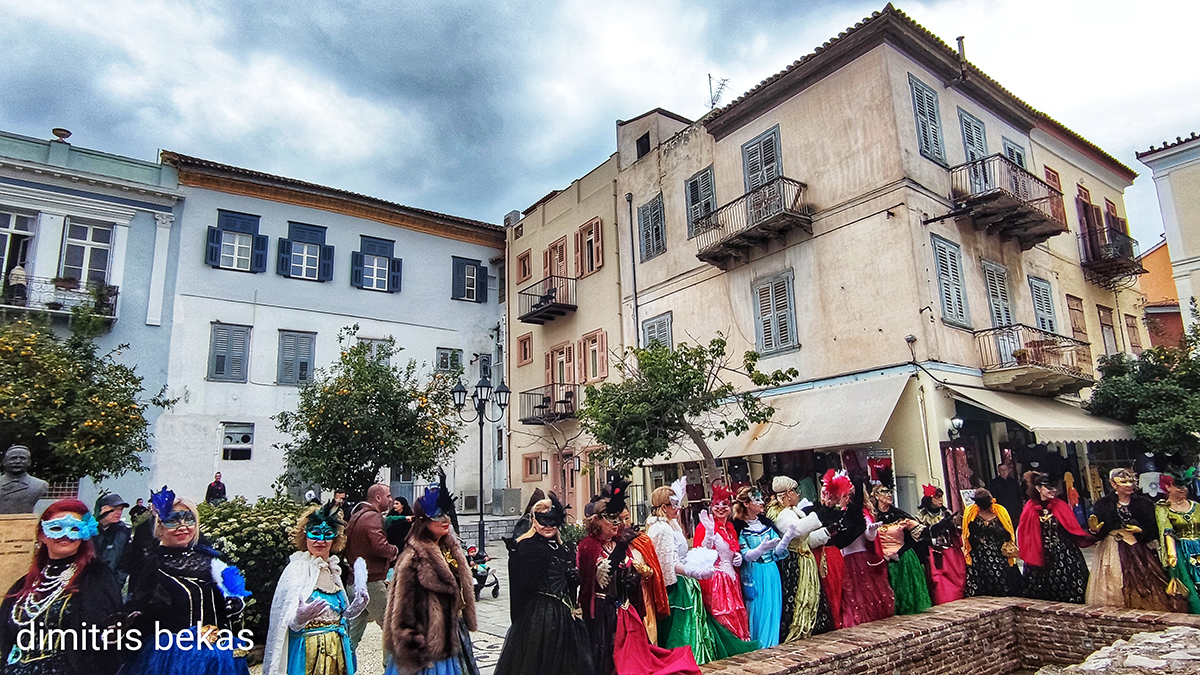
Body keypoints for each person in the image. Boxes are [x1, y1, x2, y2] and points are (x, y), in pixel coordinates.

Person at [576, 478, 699, 675]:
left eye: (619, 519)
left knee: (638, 659)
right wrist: (621, 548)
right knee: (610, 661)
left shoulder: (617, 542)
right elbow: (603, 576)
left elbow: (630, 567)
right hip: (604, 613)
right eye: (611, 519)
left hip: (627, 610)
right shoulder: (589, 546)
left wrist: (632, 579)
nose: (617, 524)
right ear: (597, 521)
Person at [124, 486, 252, 675]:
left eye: (189, 519)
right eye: (172, 520)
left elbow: (234, 596)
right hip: (172, 659)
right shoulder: (150, 566)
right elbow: (139, 615)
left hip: (217, 657)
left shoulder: (213, 560)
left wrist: (235, 604)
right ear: (160, 526)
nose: (183, 526)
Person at [0, 499, 121, 675]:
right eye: (56, 528)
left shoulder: (96, 579)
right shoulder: (24, 584)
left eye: (74, 529)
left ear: (84, 534)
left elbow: (101, 648)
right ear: (42, 535)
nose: (65, 535)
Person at [645, 479, 757, 665]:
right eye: (674, 505)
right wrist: (694, 572)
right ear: (664, 507)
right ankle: (686, 661)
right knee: (684, 628)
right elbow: (669, 564)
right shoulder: (663, 529)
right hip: (679, 585)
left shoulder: (671, 525)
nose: (678, 508)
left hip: (703, 581)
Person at [263, 502, 370, 675]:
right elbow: (285, 623)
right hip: (307, 654)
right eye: (315, 533)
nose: (321, 540)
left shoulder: (334, 570)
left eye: (327, 534)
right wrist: (299, 618)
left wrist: (354, 609)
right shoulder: (296, 570)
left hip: (337, 652)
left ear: (335, 538)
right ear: (304, 535)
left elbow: (337, 617)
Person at [494, 494, 595, 675]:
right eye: (543, 521)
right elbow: (519, 588)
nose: (548, 526)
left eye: (553, 521)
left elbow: (569, 589)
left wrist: (574, 580)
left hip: (565, 616)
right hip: (538, 618)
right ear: (534, 521)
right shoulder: (526, 547)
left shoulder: (565, 548)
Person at [383, 485, 478, 675]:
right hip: (427, 644)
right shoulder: (413, 558)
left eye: (447, 514)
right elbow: (403, 609)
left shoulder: (451, 550)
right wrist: (413, 649)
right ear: (423, 521)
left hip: (454, 635)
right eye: (438, 515)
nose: (445, 520)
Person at [1086, 468, 1174, 611]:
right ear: (1113, 484)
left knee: (1148, 578)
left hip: (1139, 546)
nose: (1129, 485)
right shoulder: (1103, 505)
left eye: (1131, 481)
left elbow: (1154, 528)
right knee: (1114, 580)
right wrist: (1095, 530)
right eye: (1124, 482)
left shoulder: (1145, 504)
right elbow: (1099, 531)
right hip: (1112, 547)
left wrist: (1142, 531)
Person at [766, 475, 829, 642]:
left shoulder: (794, 512)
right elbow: (797, 531)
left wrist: (826, 532)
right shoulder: (781, 514)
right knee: (798, 598)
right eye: (795, 491)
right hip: (794, 562)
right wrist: (820, 514)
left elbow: (806, 539)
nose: (798, 495)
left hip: (805, 560)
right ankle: (796, 632)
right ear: (788, 493)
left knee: (812, 596)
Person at [1018, 472, 1093, 604]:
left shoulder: (1061, 505)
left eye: (1054, 488)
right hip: (1040, 553)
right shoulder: (1030, 508)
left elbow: (1072, 527)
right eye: (1049, 488)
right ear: (1038, 488)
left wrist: (1090, 534)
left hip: (1064, 553)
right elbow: (1026, 532)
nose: (1053, 491)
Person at [345, 483, 400, 651]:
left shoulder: (356, 516)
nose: (391, 500)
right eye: (388, 496)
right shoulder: (373, 518)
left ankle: (343, 661)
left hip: (357, 580)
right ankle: (395, 665)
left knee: (353, 632)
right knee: (393, 629)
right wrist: (394, 550)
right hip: (372, 582)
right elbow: (380, 546)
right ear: (378, 498)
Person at [833, 477, 893, 627]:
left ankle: (862, 620)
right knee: (849, 593)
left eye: (842, 497)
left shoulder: (860, 514)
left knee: (862, 592)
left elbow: (869, 536)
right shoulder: (840, 514)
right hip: (844, 559)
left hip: (858, 559)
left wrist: (871, 530)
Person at [733, 486, 787, 648]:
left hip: (771, 570)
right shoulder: (740, 527)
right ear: (747, 504)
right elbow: (746, 555)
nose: (762, 502)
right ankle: (759, 646)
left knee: (773, 607)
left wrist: (787, 539)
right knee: (757, 609)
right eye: (757, 500)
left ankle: (773, 643)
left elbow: (777, 550)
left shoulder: (766, 523)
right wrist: (761, 548)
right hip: (754, 572)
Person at [871, 484, 931, 615]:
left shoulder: (900, 516)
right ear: (876, 495)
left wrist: (940, 527)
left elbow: (921, 532)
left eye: (890, 492)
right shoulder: (871, 516)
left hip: (902, 559)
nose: (889, 494)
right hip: (880, 561)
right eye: (885, 491)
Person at [619, 507, 670, 643]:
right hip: (623, 598)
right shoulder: (611, 544)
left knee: (648, 633)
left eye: (626, 518)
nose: (624, 523)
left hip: (643, 594)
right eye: (619, 519)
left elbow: (653, 570)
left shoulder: (642, 540)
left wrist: (641, 569)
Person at [810, 470, 852, 631]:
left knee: (836, 588)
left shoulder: (839, 515)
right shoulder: (809, 510)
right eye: (824, 492)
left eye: (831, 494)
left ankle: (838, 620)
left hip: (832, 556)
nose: (826, 496)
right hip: (815, 555)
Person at [962, 488, 1021, 598]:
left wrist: (999, 532)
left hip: (998, 555)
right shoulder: (970, 512)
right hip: (978, 557)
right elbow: (966, 535)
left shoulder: (1000, 511)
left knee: (1003, 584)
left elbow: (1009, 532)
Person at [1158, 469, 1200, 613]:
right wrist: (1172, 556)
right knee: (1190, 587)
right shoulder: (1163, 508)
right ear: (1168, 487)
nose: (1183, 489)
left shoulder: (1196, 506)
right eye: (1178, 486)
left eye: (1185, 485)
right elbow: (1166, 531)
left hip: (1199, 546)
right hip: (1181, 551)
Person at [917, 485, 967, 605]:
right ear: (929, 499)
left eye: (941, 497)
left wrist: (954, 526)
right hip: (935, 554)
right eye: (937, 497)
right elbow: (921, 535)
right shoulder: (921, 516)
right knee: (940, 584)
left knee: (957, 578)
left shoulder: (947, 513)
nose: (940, 500)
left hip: (951, 553)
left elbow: (956, 533)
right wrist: (939, 527)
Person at [93, 492, 132, 590]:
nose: (119, 513)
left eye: (121, 509)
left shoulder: (123, 532)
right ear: (102, 509)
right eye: (114, 509)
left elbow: (124, 564)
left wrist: (115, 587)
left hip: (110, 587)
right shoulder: (89, 530)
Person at [0, 444, 49, 513]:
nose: (18, 461)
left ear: (29, 462)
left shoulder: (41, 485)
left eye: (22, 458)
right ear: (4, 462)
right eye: (13, 458)